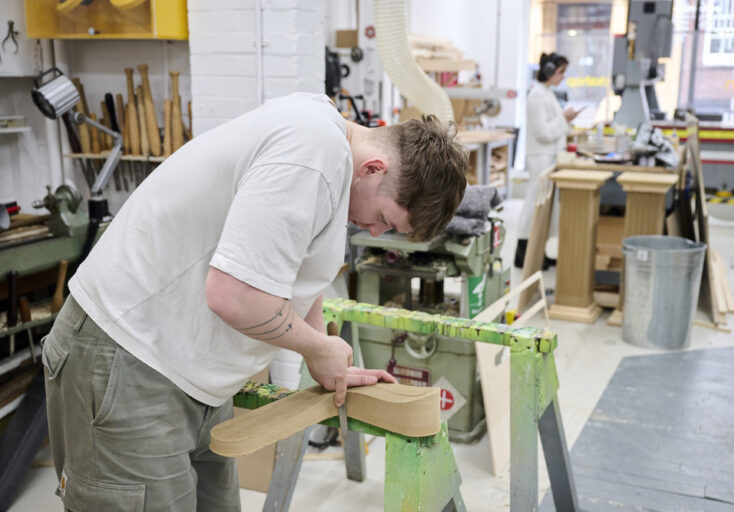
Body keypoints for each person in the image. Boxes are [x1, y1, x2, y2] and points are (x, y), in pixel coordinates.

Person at [41, 92, 468, 511]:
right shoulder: (313, 151)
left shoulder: (327, 147)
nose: (375, 233)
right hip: (128, 359)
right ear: (374, 169)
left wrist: (322, 351)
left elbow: (295, 262)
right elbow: (234, 296)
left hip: (189, 376)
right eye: (383, 220)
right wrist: (319, 347)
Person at [515, 52, 578, 268]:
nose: (563, 77)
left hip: (549, 156)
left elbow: (553, 127)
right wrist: (564, 118)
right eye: (561, 72)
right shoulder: (537, 96)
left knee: (545, 206)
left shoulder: (547, 93)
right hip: (540, 156)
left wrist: (565, 121)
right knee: (534, 204)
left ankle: (538, 250)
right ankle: (523, 252)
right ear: (549, 71)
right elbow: (542, 132)